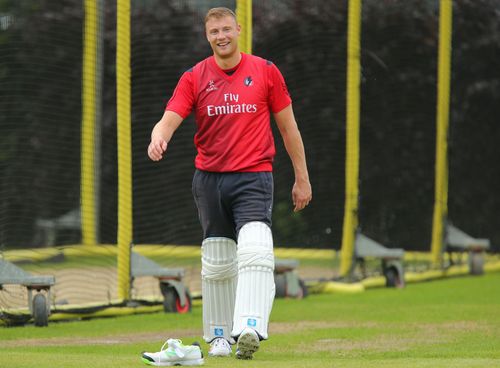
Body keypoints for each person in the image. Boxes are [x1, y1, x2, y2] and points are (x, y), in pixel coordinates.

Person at [142, 6, 312, 365]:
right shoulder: (194, 76)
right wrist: (159, 138)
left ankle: (249, 328)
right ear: (208, 37)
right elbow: (168, 119)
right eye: (213, 32)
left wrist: (302, 177)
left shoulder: (265, 71)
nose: (221, 37)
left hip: (253, 175)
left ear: (238, 29)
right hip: (209, 180)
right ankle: (219, 336)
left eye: (225, 29)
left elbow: (288, 127)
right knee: (218, 261)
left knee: (255, 251)